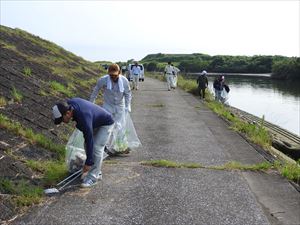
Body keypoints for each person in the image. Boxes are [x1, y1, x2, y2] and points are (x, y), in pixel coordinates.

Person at [52, 97, 114, 188]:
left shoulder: (83, 117)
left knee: (96, 147)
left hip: (106, 123)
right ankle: (97, 171)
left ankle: (93, 178)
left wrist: (88, 162)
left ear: (68, 113)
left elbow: (89, 138)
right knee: (87, 145)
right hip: (95, 121)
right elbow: (87, 139)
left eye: (62, 119)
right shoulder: (68, 105)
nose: (62, 122)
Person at [89, 63, 132, 155]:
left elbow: (128, 94)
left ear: (119, 73)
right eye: (111, 75)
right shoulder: (103, 80)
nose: (113, 77)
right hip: (108, 105)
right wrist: (91, 104)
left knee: (120, 126)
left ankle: (120, 147)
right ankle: (106, 147)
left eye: (115, 75)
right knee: (108, 127)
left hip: (120, 105)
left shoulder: (124, 81)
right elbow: (95, 91)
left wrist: (128, 106)